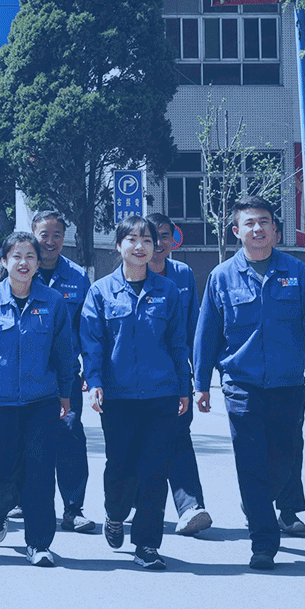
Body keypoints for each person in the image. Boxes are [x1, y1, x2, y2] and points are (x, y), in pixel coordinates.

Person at [193, 197, 305, 570]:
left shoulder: (296, 272)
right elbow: (207, 333)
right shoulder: (222, 277)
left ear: (275, 229)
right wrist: (201, 384)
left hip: (287, 384)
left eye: (264, 222)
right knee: (251, 461)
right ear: (236, 231)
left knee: (285, 459)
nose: (257, 229)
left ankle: (258, 500)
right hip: (241, 384)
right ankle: (263, 541)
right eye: (249, 223)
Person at [81, 218, 192, 570]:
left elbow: (178, 343)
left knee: (155, 471)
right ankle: (115, 514)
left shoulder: (168, 291)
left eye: (147, 240)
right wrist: (94, 382)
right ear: (119, 246)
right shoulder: (101, 292)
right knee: (121, 468)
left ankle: (147, 545)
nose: (140, 246)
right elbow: (93, 343)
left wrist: (184, 387)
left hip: (161, 394)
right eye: (132, 239)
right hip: (119, 397)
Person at [0, 232, 74, 567]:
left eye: (30, 257)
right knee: (1, 472)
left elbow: (64, 353)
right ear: (4, 261)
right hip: (0, 403)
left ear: (38, 263)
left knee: (40, 473)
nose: (23, 263)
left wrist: (66, 393)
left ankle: (39, 543)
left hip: (42, 401)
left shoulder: (53, 302)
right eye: (16, 256)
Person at [145, 212, 211, 536]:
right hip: (133, 378)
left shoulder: (182, 274)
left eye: (164, 236)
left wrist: (200, 379)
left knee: (178, 437)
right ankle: (133, 501)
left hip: (174, 375)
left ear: (173, 240)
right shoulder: (130, 273)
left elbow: (195, 328)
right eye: (152, 236)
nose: (159, 243)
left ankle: (190, 508)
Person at [30, 210, 95, 534]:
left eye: (57, 234)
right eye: (44, 234)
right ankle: (21, 499)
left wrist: (91, 373)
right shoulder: (21, 268)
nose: (51, 241)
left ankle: (73, 508)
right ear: (33, 234)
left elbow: (89, 329)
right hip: (24, 375)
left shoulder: (77, 276)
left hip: (65, 376)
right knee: (25, 438)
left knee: (69, 435)